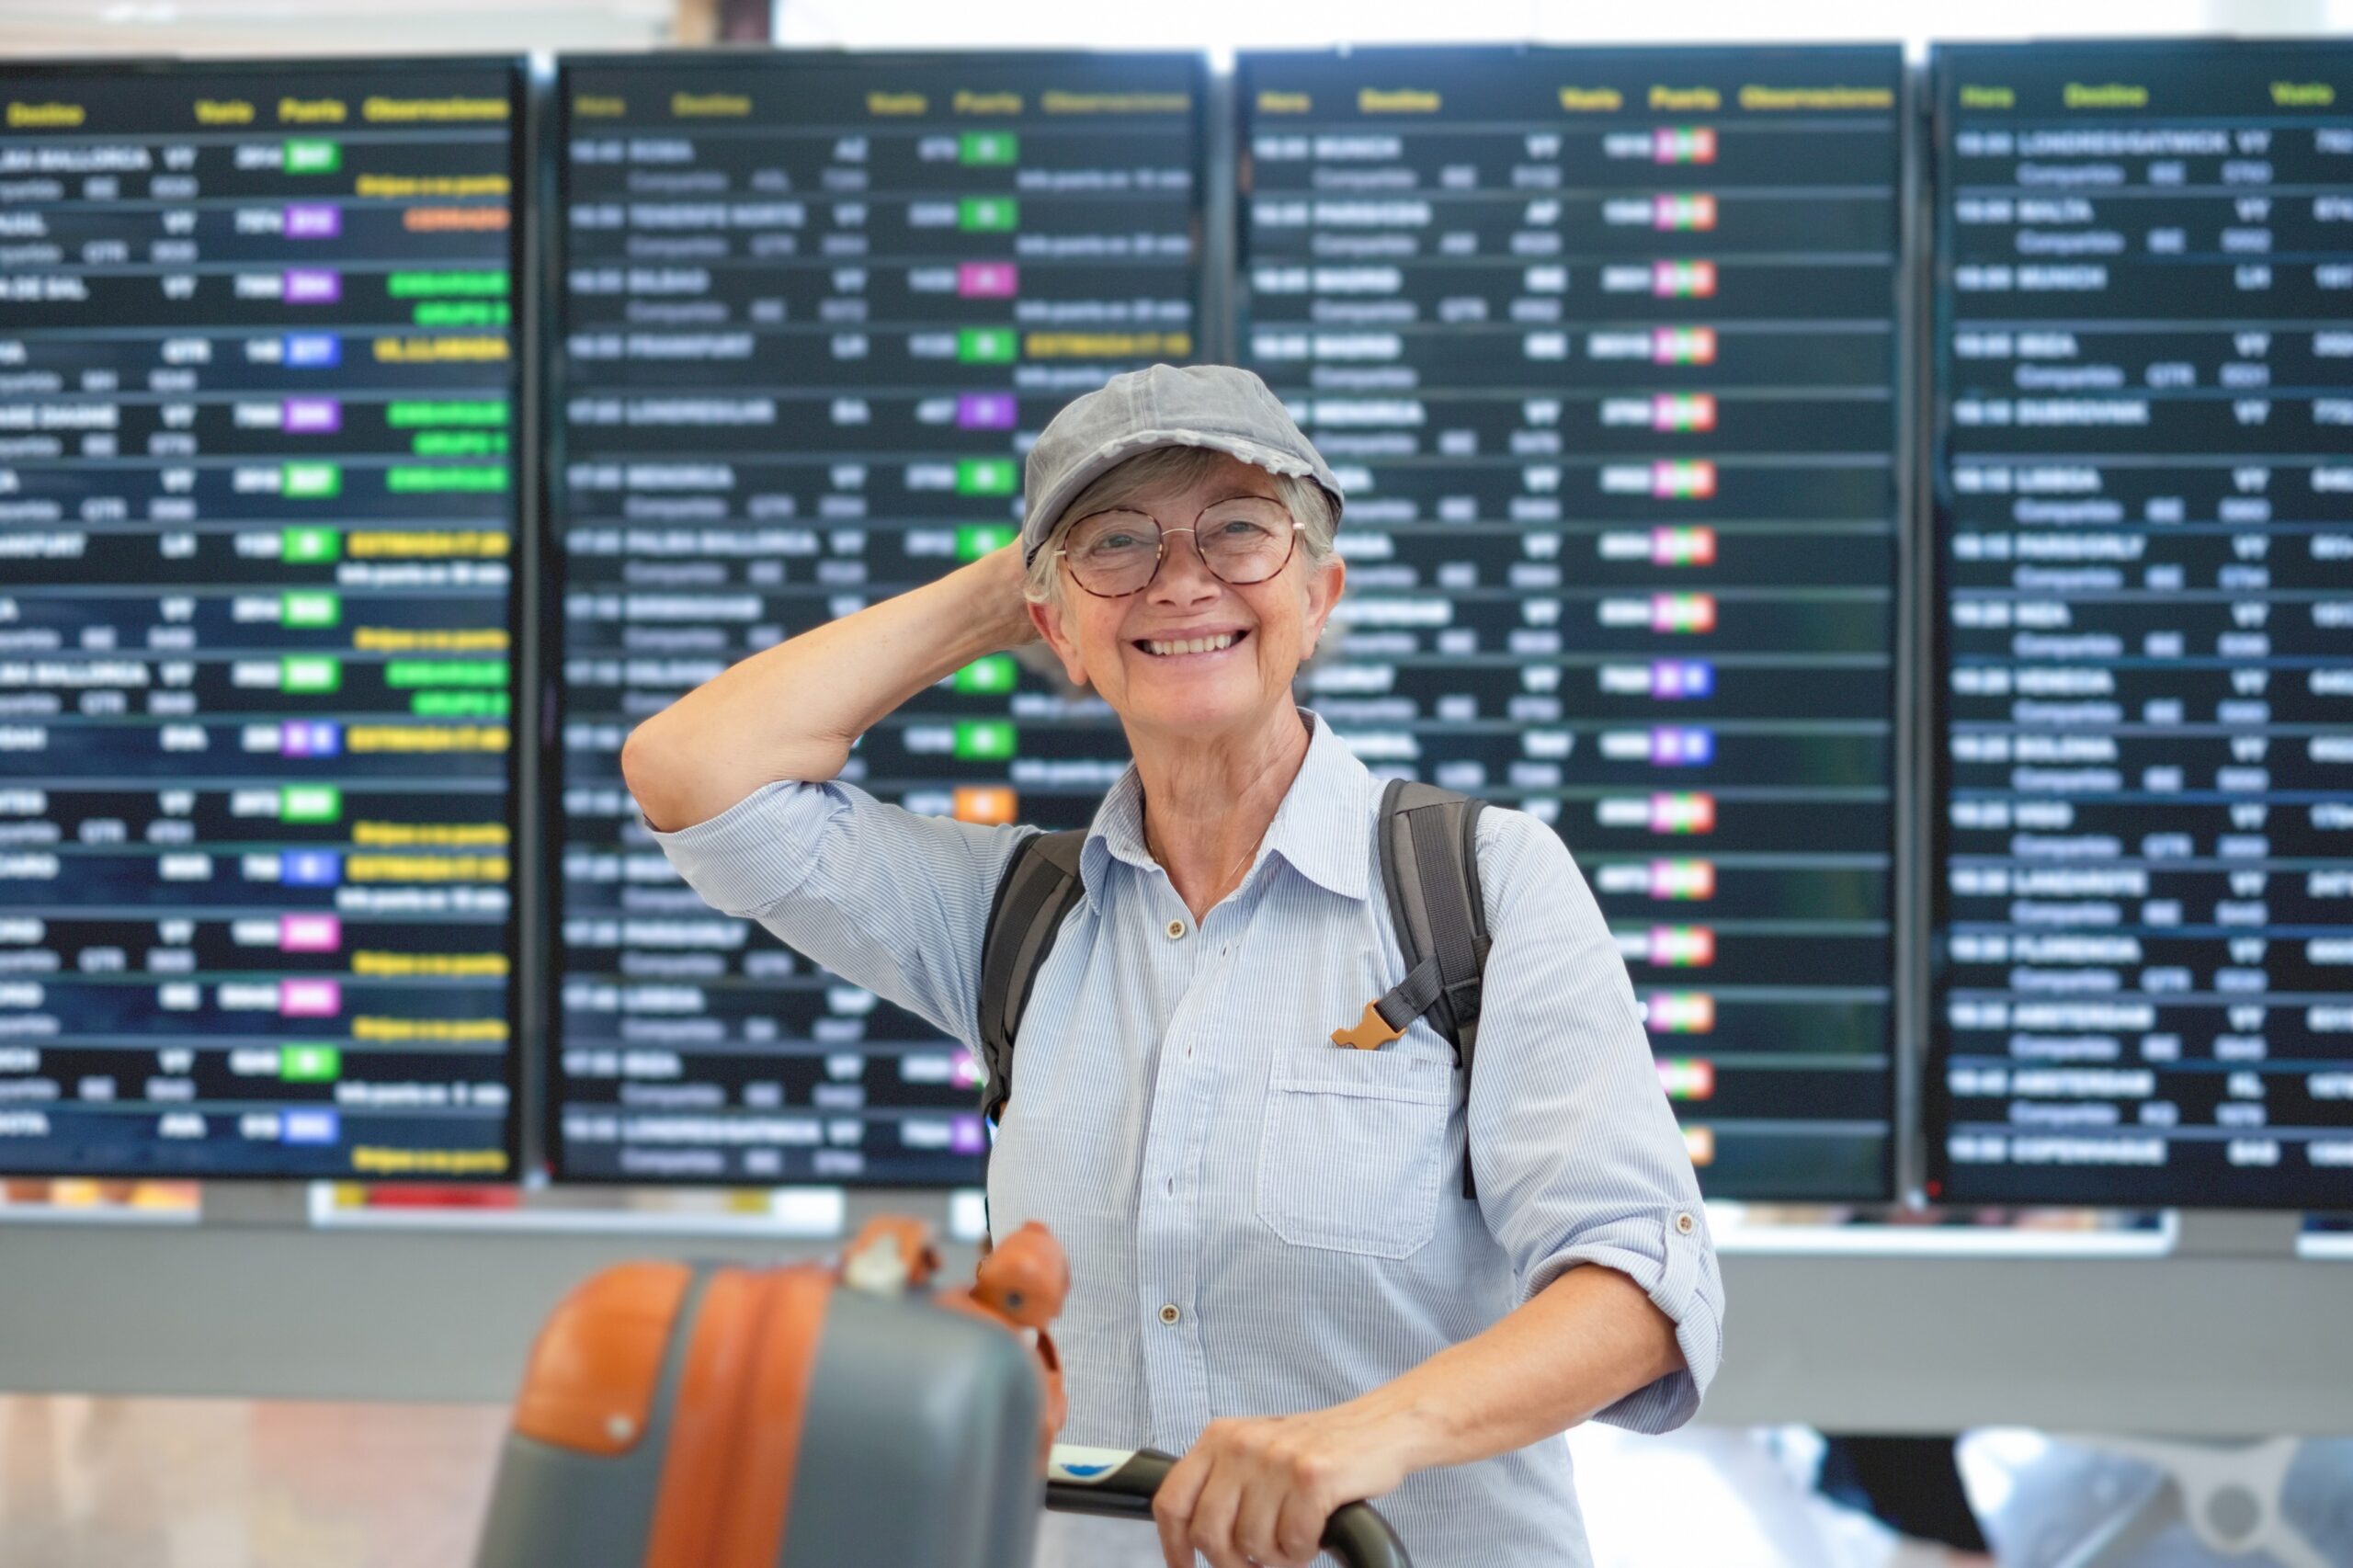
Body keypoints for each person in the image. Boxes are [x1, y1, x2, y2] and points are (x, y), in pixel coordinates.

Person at [622, 363, 1725, 1568]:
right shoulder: (1013, 919)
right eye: (1124, 541)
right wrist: (1021, 580)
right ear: (1057, 632)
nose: (1183, 579)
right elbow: (693, 770)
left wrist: (1361, 1440)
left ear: (1320, 593)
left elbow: (1638, 1288)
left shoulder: (1485, 883)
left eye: (1240, 532)